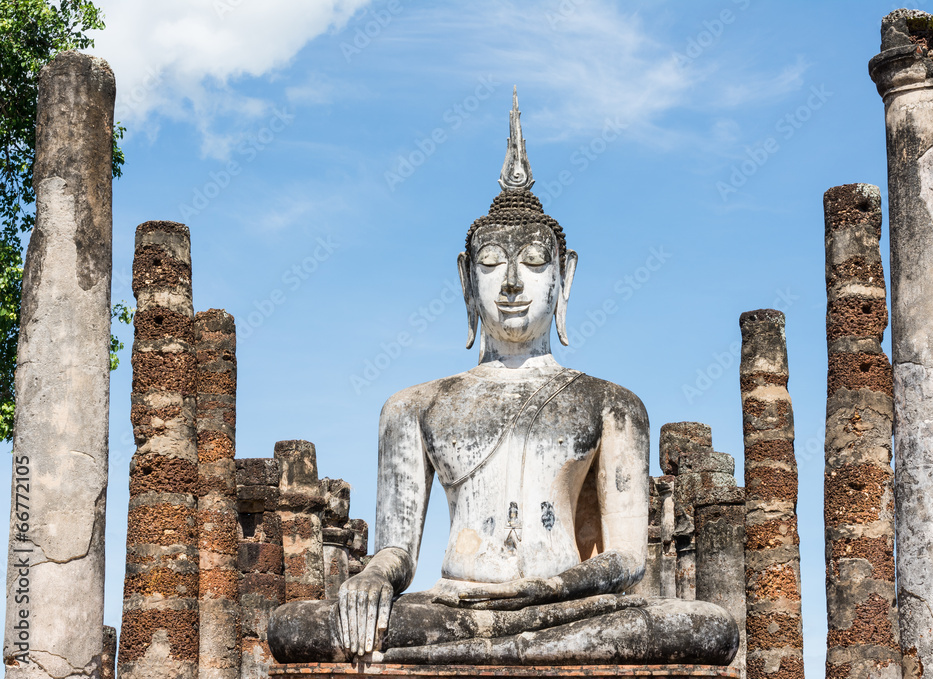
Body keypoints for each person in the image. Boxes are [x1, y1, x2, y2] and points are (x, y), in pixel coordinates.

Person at [268, 91, 738, 667]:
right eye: (491, 263)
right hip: (456, 605)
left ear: (564, 278)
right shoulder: (414, 406)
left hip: (566, 603)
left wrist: (543, 594)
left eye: (534, 263)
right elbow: (398, 549)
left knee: (704, 626)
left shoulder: (613, 405)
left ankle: (500, 647)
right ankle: (504, 647)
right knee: (296, 626)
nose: (512, 283)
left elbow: (626, 560)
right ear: (467, 280)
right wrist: (373, 579)